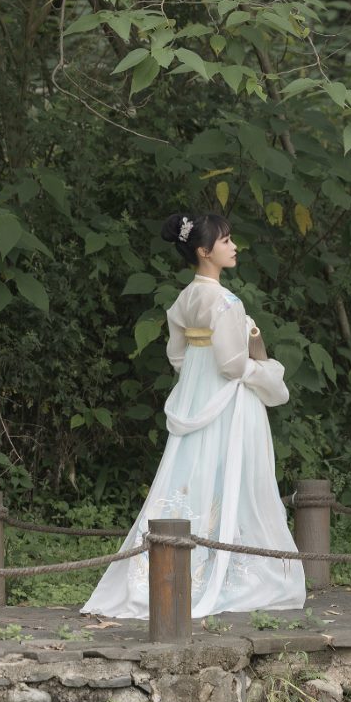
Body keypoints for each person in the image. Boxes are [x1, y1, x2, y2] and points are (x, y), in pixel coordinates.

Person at [82, 213, 305, 618]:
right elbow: (233, 365)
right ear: (204, 251)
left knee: (191, 475)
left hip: (197, 397)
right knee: (234, 476)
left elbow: (178, 356)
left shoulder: (184, 299)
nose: (233, 247)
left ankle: (169, 569)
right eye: (226, 241)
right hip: (230, 402)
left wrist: (199, 378)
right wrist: (269, 373)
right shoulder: (226, 302)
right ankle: (229, 571)